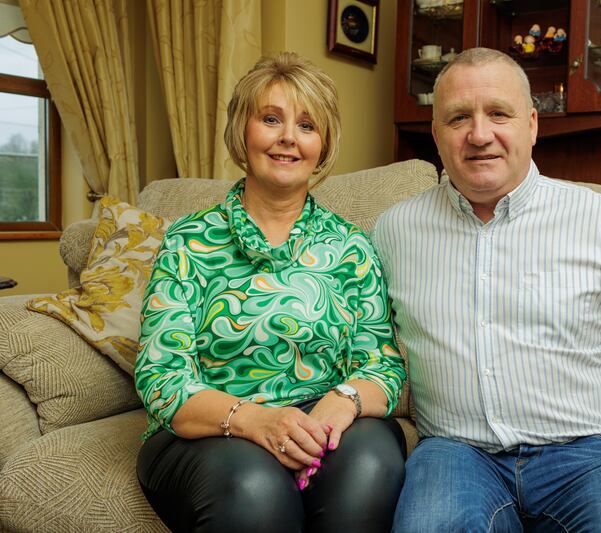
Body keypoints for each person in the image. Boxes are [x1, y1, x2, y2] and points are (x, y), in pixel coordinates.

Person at [373, 48, 601, 532]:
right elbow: (360, 342)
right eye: (459, 118)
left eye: (498, 114)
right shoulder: (394, 231)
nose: (480, 134)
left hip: (588, 453)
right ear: (436, 134)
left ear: (532, 124)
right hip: (457, 452)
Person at [135, 52, 407, 533]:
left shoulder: (351, 247)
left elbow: (381, 364)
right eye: (270, 119)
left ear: (322, 146)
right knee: (258, 491)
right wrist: (257, 421)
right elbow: (163, 378)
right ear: (243, 132)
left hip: (324, 420)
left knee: (369, 467)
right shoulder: (189, 241)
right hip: (213, 430)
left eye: (306, 125)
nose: (288, 137)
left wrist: (338, 404)